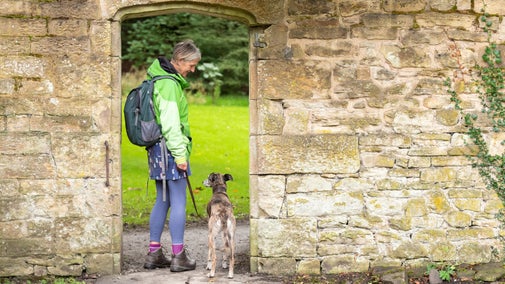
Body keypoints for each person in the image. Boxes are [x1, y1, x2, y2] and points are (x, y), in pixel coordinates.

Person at [143, 39, 201, 272]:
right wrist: (180, 155)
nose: (193, 70)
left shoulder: (157, 79)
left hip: (157, 149)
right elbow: (170, 123)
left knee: (163, 200)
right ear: (178, 61)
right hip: (170, 149)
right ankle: (179, 256)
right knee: (178, 201)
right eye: (192, 64)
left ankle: (154, 253)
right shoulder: (168, 84)